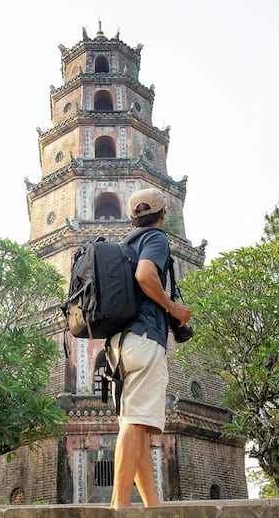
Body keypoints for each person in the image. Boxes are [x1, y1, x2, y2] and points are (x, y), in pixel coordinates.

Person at [108, 187, 192, 508]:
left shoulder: (123, 246)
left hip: (119, 344)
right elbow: (146, 275)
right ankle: (119, 506)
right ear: (162, 215)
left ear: (132, 218)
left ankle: (152, 505)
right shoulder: (155, 239)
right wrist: (173, 308)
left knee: (137, 424)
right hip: (144, 338)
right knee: (135, 423)